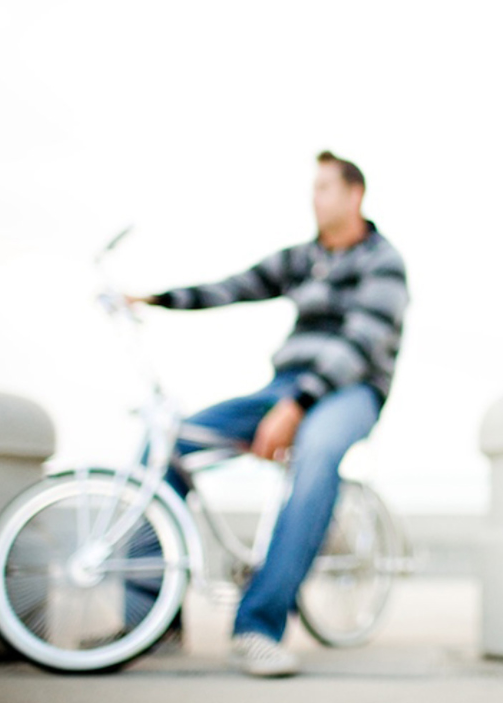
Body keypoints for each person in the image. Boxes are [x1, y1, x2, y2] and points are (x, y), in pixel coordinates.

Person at [129, 150, 408, 677]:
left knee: (317, 456)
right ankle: (148, 621)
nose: (314, 196)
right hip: (285, 387)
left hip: (350, 392)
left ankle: (258, 626)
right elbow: (235, 287)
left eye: (324, 187)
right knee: (166, 446)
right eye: (313, 187)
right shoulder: (304, 257)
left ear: (355, 195)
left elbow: (360, 345)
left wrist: (296, 407)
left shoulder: (383, 261)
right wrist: (158, 299)